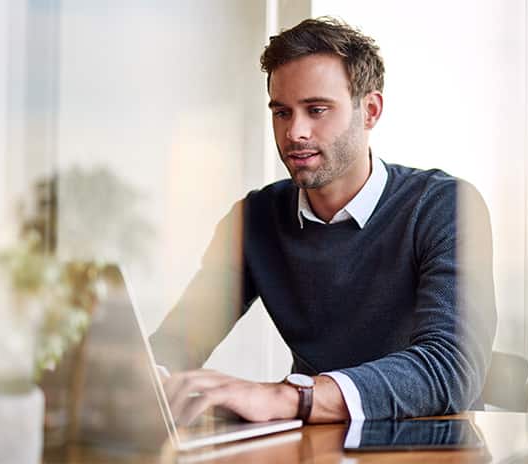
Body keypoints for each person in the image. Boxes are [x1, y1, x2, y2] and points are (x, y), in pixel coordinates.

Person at [150, 16, 497, 425]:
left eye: (317, 110)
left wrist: (292, 396)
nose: (295, 132)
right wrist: (143, 377)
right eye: (282, 113)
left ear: (369, 110)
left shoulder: (444, 206)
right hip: (312, 445)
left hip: (422, 447)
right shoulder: (255, 219)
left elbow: (450, 368)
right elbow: (176, 344)